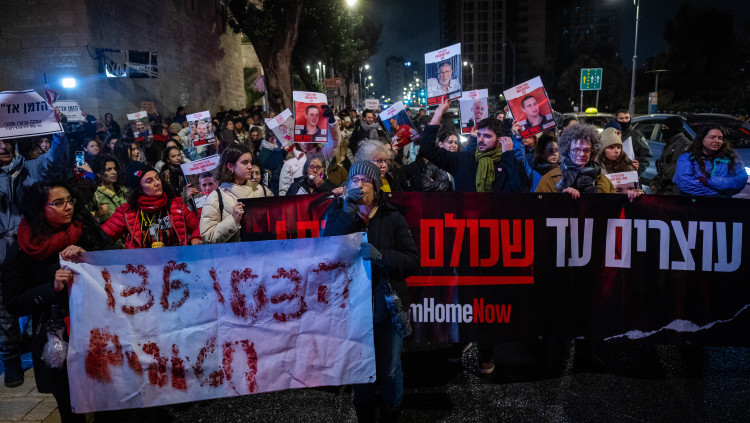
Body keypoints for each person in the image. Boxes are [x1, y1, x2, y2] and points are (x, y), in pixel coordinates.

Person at [2, 181, 115, 421]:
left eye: (70, 200)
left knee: (108, 395)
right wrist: (50, 288)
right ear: (39, 208)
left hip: (99, 325)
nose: (68, 207)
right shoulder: (22, 247)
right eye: (59, 203)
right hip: (57, 333)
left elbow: (114, 260)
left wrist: (88, 258)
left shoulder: (85, 228)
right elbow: (13, 302)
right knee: (69, 401)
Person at [323, 160, 419, 422]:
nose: (360, 185)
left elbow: (412, 261)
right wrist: (346, 213)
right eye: (355, 180)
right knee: (359, 368)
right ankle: (364, 414)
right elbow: (326, 253)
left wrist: (382, 256)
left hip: (386, 308)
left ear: (376, 187)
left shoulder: (392, 216)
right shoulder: (340, 211)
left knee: (389, 370)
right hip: (353, 308)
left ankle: (391, 413)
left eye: (366, 180)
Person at [0, 109, 67, 388]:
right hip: (3, 252)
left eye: (6, 141)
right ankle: (11, 359)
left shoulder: (31, 167)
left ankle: (46, 350)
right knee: (4, 306)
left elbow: (55, 160)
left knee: (41, 299)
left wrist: (58, 130)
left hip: (33, 248)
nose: (2, 147)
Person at [420, 98, 527, 193]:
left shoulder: (507, 162)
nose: (481, 139)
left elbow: (521, 189)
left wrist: (508, 155)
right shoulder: (463, 159)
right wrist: (438, 112)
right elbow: (427, 149)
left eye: (487, 136)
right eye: (479, 135)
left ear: (499, 140)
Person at [100, 161, 203, 248]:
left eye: (157, 178)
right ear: (139, 189)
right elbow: (101, 238)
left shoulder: (176, 205)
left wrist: (196, 238)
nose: (157, 183)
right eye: (149, 181)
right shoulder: (127, 212)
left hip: (177, 262)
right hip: (143, 264)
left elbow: (198, 226)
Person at [200, 145, 272, 243]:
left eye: (250, 162)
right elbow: (209, 237)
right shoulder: (216, 197)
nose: (250, 167)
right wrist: (233, 220)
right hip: (233, 252)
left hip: (263, 249)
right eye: (245, 163)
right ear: (230, 166)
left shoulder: (262, 190)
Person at [535, 124, 618, 197]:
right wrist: (562, 199)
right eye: (576, 150)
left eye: (586, 150)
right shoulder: (550, 179)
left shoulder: (601, 179)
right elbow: (540, 206)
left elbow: (612, 206)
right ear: (568, 150)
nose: (582, 154)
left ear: (592, 151)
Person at [673, 124, 747, 197]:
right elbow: (685, 184)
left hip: (723, 203)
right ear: (702, 138)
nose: (717, 141)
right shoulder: (687, 158)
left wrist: (709, 182)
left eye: (720, 138)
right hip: (695, 202)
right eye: (712, 137)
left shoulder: (730, 158)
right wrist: (716, 194)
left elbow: (740, 181)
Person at [87, 154, 129, 226]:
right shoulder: (94, 194)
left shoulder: (123, 190)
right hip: (106, 232)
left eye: (115, 169)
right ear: (99, 173)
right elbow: (85, 218)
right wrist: (97, 214)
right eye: (109, 169)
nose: (114, 172)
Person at [653, 116, 691, 195]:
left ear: (674, 128)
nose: (663, 130)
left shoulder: (684, 144)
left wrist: (664, 177)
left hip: (675, 188)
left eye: (665, 127)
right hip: (667, 186)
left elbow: (678, 166)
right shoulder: (670, 143)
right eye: (662, 127)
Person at [615, 109, 653, 178]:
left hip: (630, 175)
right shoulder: (612, 134)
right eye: (621, 118)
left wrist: (637, 171)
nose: (624, 121)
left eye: (627, 118)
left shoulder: (635, 135)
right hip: (614, 174)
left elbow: (646, 156)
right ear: (616, 120)